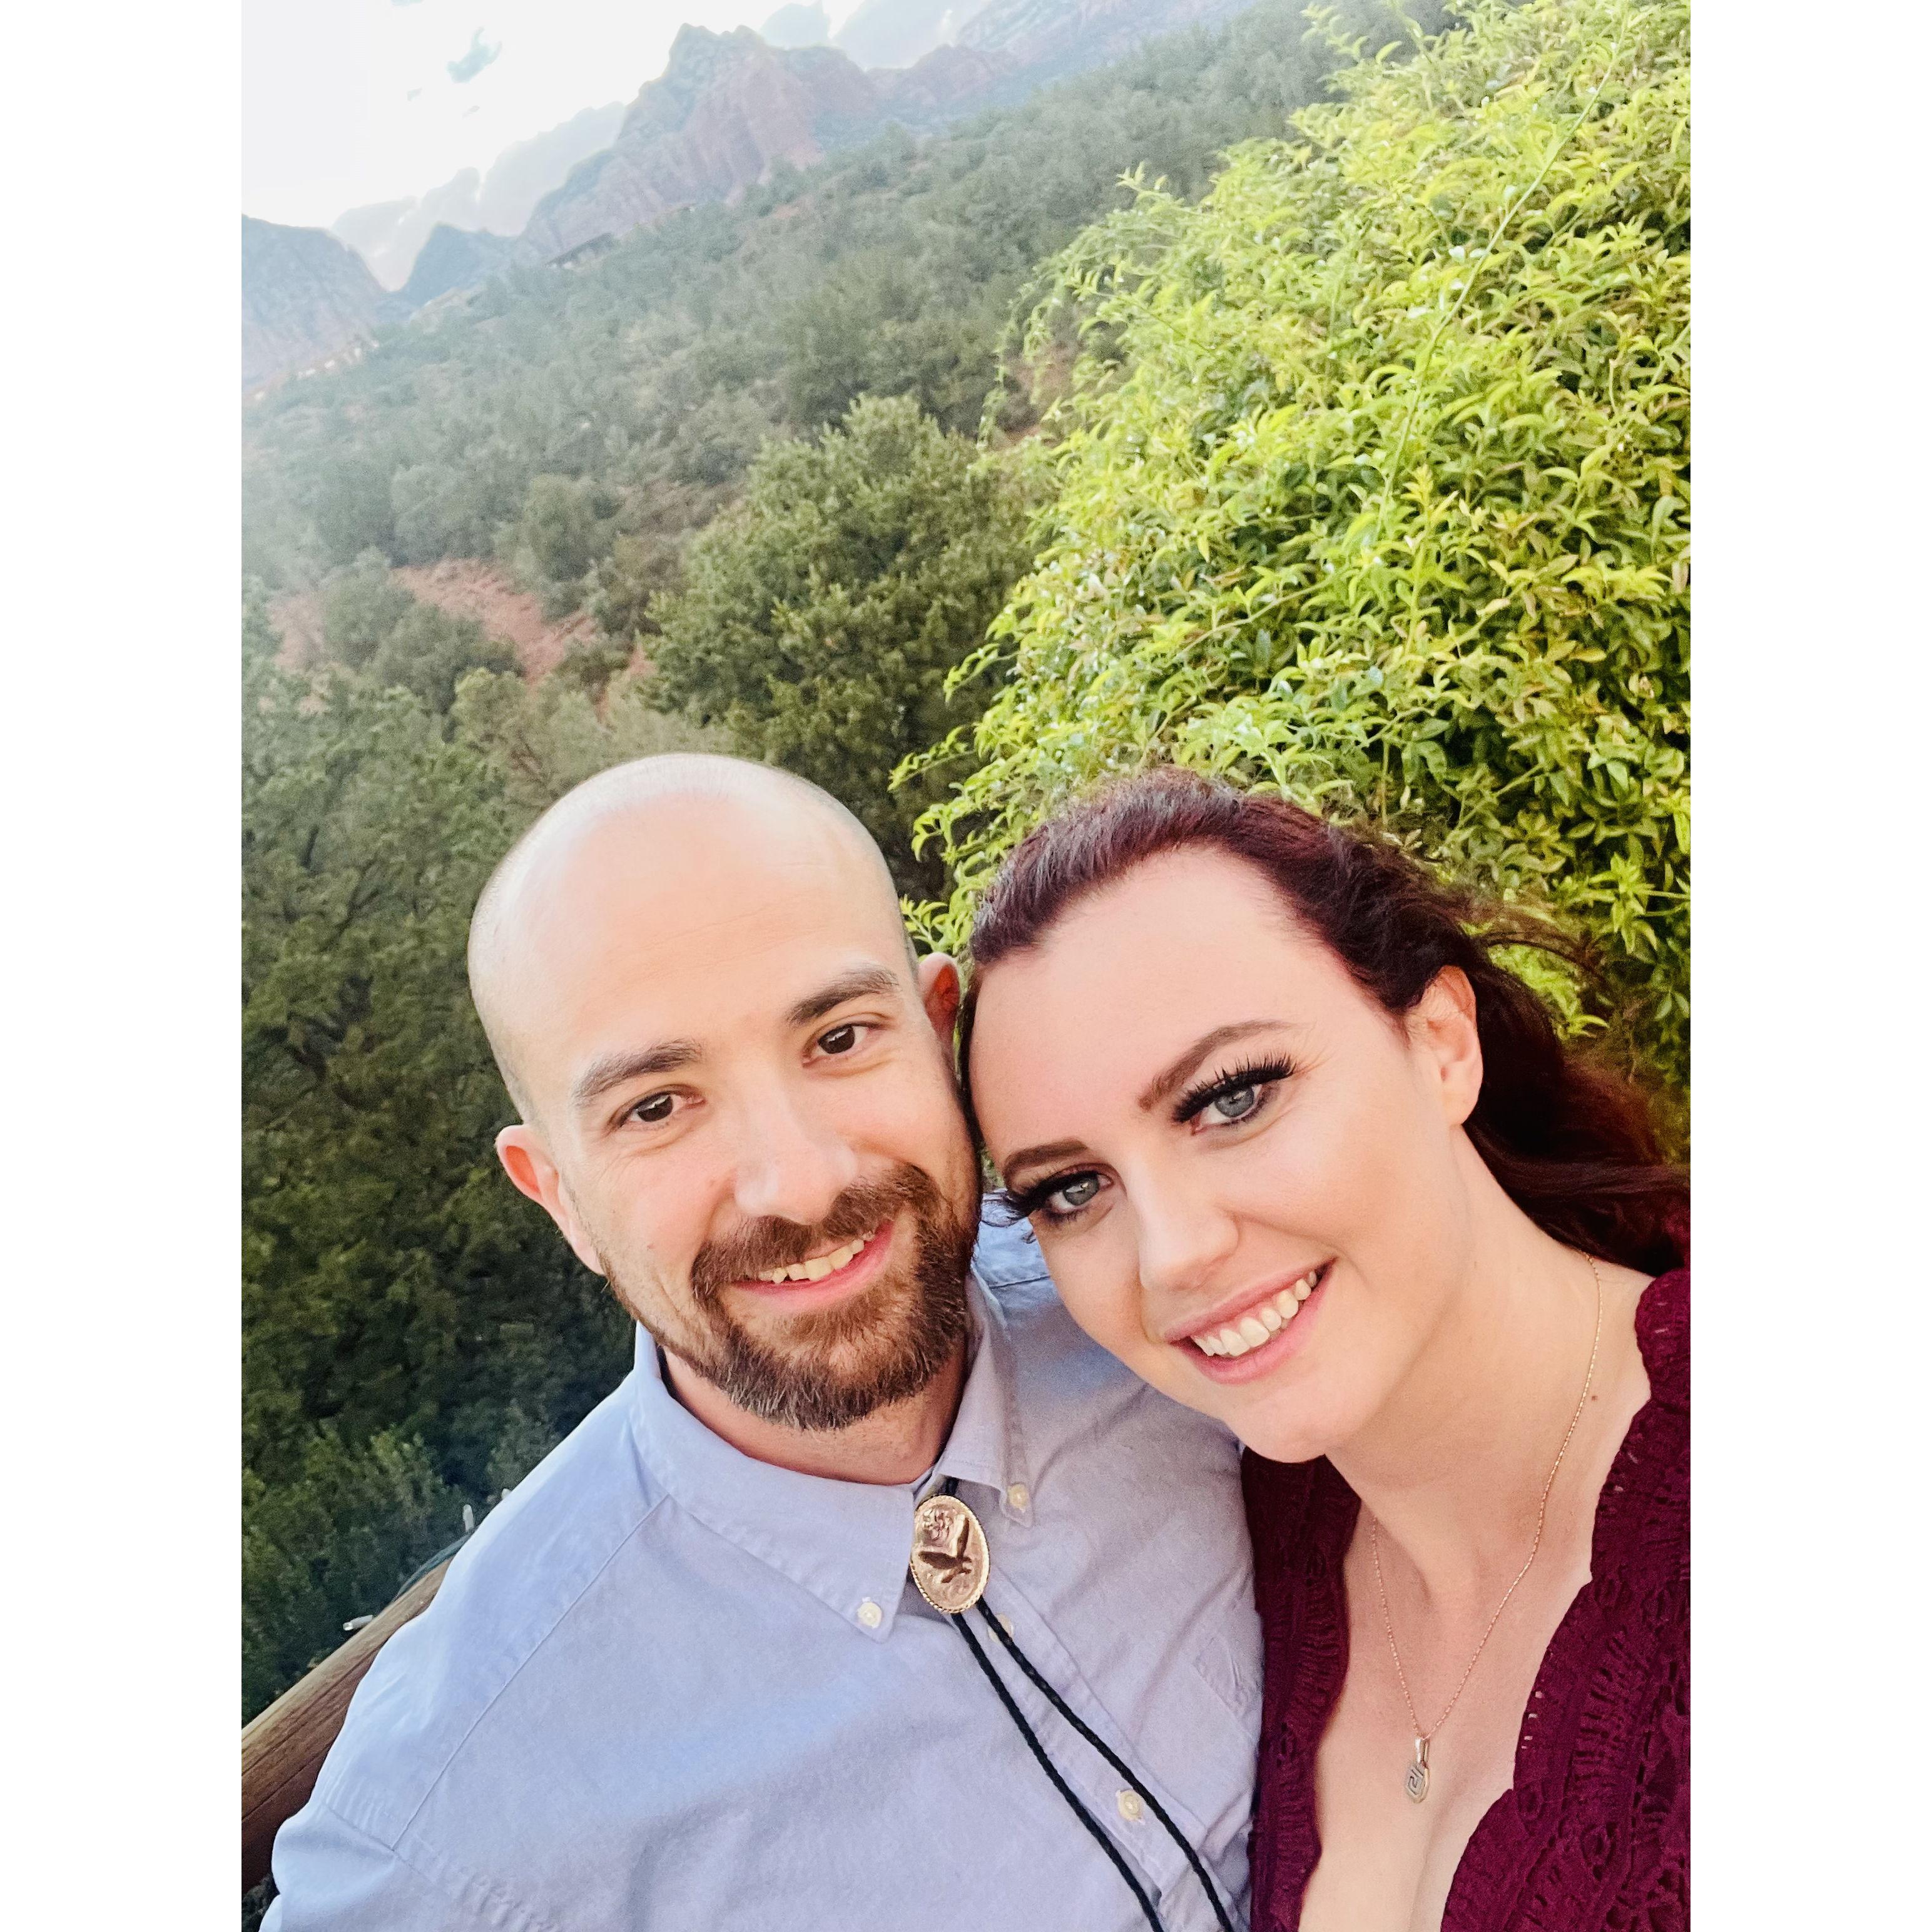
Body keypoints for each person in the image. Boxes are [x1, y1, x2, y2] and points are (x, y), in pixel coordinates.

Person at [265, 755, 1261, 1932]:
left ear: (938, 1031)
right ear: (560, 1198)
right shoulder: (452, 1816)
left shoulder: (1187, 1306)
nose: (798, 1181)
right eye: (655, 1107)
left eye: (839, 1038)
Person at [963, 768, 1687, 1932]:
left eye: (1234, 1098)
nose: (1172, 1256)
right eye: (1073, 1190)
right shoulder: (1251, 1536)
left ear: (1442, 1044)